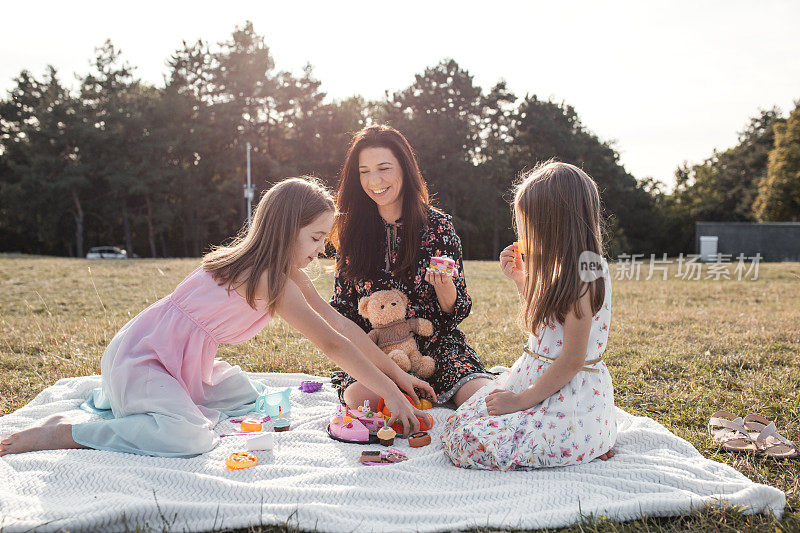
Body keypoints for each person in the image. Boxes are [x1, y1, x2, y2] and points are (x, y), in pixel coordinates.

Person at [0, 177, 433, 458]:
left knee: (242, 392)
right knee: (188, 437)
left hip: (179, 361)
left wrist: (395, 375)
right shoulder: (268, 279)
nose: (321, 249)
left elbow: (341, 325)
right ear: (285, 229)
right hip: (143, 359)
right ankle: (66, 432)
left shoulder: (287, 273)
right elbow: (333, 345)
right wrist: (390, 395)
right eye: (316, 237)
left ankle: (157, 403)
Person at [440, 161, 617, 470]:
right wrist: (522, 281)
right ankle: (588, 440)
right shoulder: (559, 268)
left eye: (530, 224)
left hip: (566, 391)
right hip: (539, 381)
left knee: (467, 441)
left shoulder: (585, 275)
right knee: (461, 424)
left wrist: (521, 401)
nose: (525, 233)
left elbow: (572, 359)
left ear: (556, 224)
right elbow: (543, 327)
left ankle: (587, 438)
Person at [329, 125, 494, 409]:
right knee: (358, 399)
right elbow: (343, 311)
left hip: (436, 346)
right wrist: (370, 359)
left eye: (383, 168)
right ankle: (405, 395)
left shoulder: (439, 226)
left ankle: (420, 393)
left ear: (405, 169)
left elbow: (458, 311)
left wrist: (445, 290)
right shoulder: (351, 231)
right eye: (364, 171)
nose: (374, 180)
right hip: (376, 350)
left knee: (482, 398)